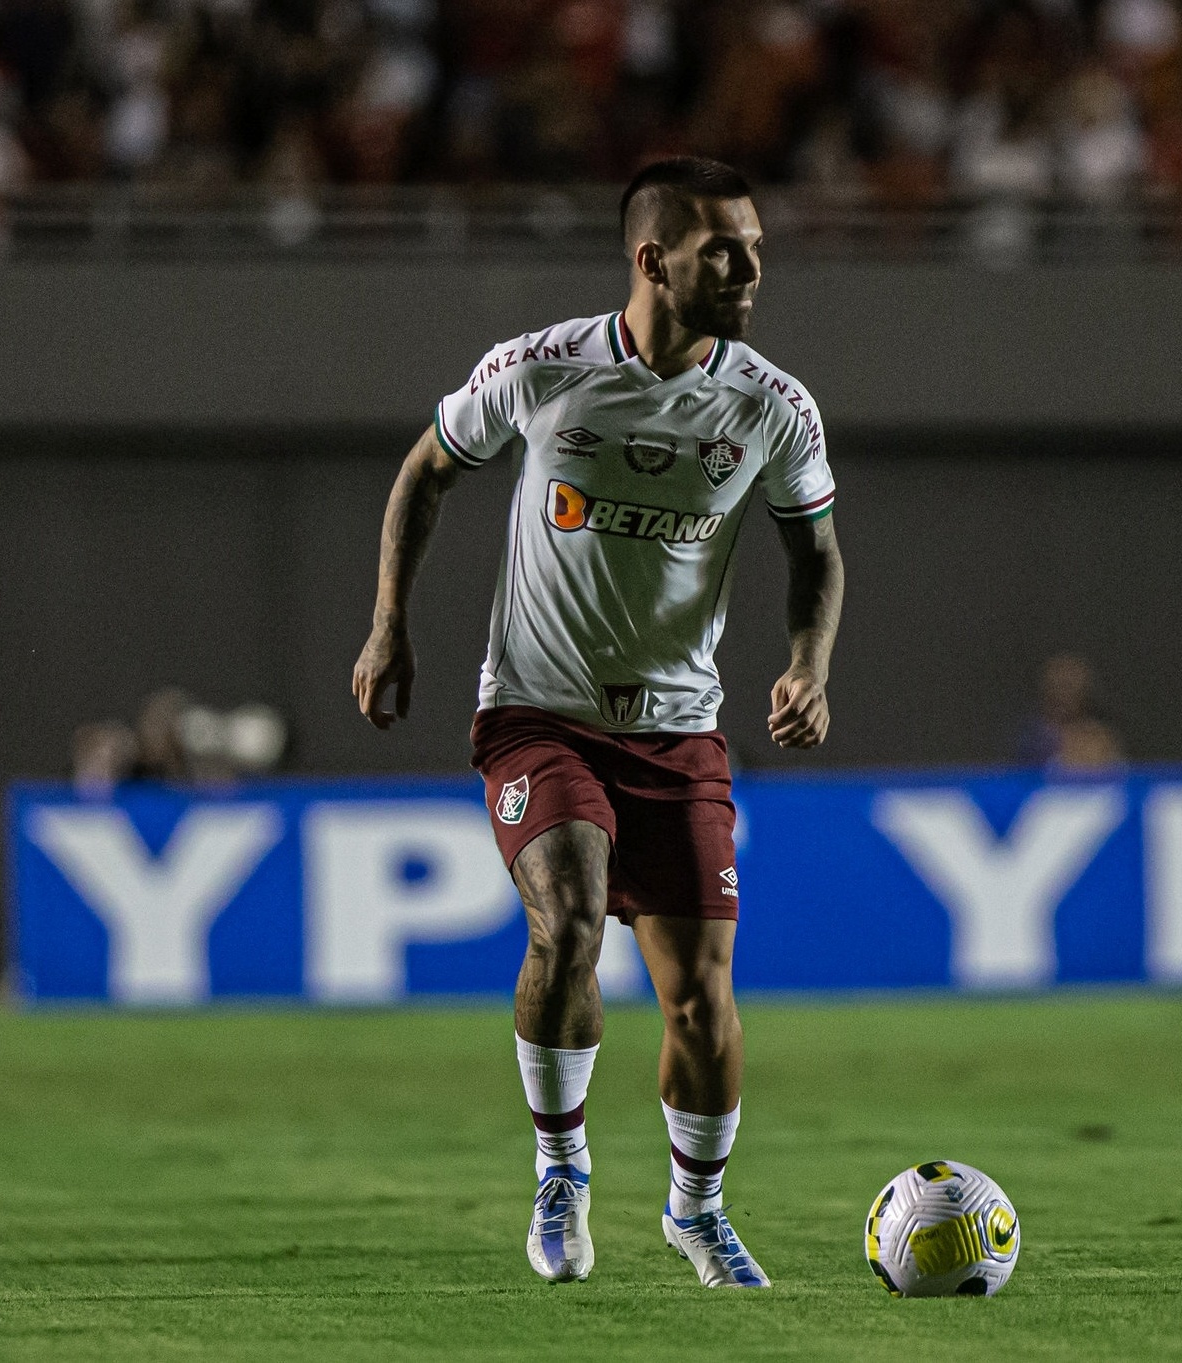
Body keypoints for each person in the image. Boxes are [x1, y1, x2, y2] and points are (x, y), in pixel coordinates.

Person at [350, 157, 844, 1289]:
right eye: (727, 250)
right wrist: (390, 627)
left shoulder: (773, 404)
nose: (752, 269)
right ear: (653, 260)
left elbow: (814, 549)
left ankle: (695, 1210)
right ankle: (562, 1170)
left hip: (679, 728)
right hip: (538, 713)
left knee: (698, 997)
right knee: (567, 923)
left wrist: (808, 664)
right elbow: (427, 469)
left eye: (758, 248)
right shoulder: (543, 368)